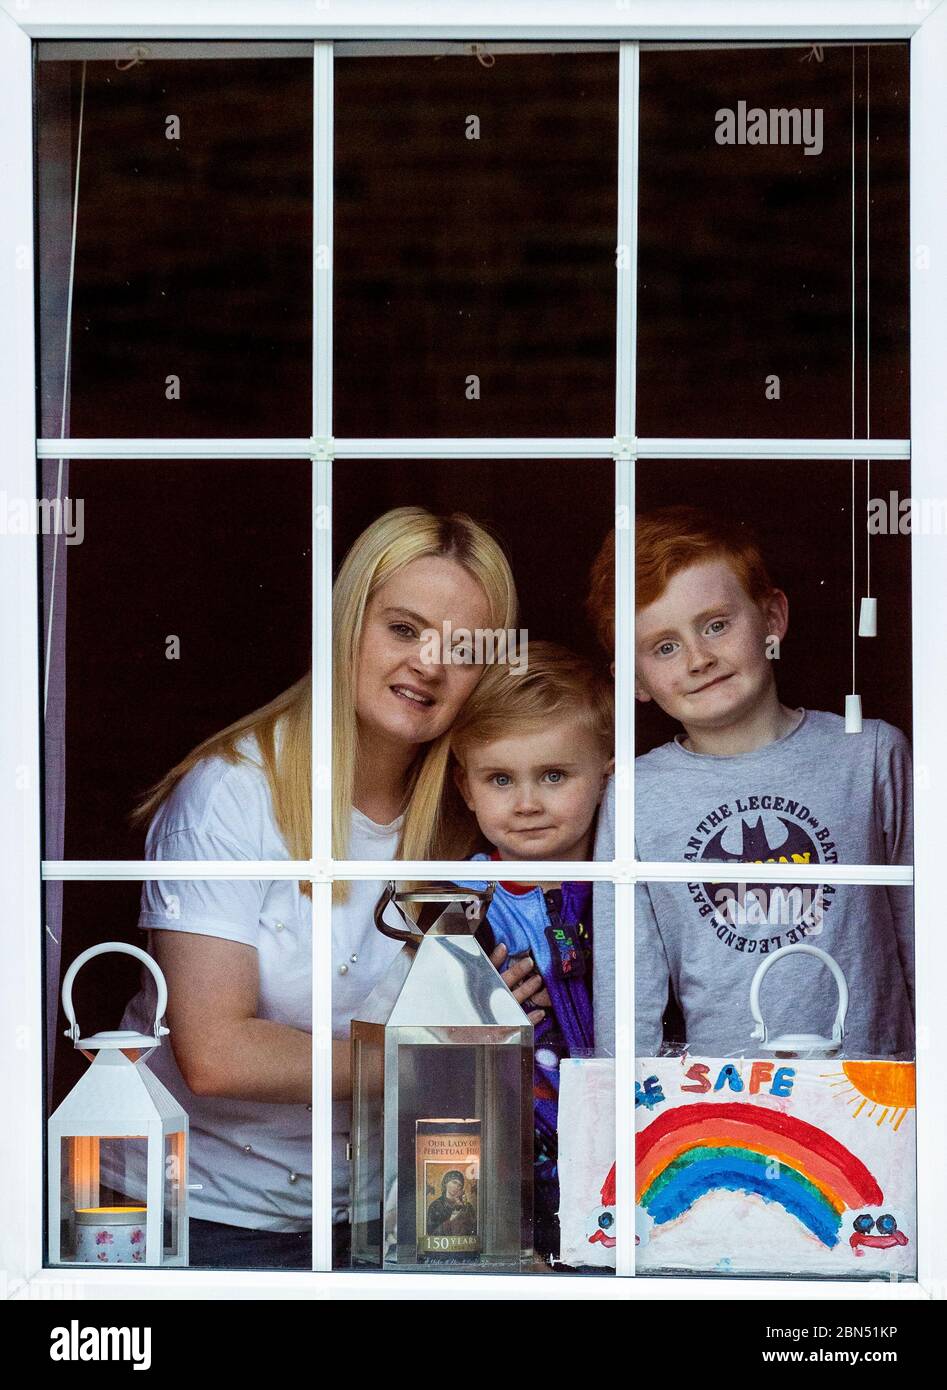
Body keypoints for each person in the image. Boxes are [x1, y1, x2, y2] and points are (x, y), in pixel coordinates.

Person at [110, 508, 549, 1269]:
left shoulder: (473, 815)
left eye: (462, 647)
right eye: (404, 629)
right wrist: (442, 1055)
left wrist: (500, 1006)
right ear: (348, 625)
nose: (428, 665)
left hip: (380, 1212)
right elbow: (215, 1053)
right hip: (198, 1212)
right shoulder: (235, 792)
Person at [589, 505, 914, 1060]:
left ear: (772, 618)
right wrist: (626, 1124)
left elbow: (923, 936)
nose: (698, 658)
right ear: (636, 680)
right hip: (725, 1110)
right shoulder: (636, 794)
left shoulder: (869, 753)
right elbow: (629, 985)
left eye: (716, 624)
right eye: (664, 647)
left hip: (879, 1097)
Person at [449, 642, 614, 1257]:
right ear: (465, 787)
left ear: (608, 765)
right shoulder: (461, 897)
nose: (526, 803)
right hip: (502, 1144)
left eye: (553, 775)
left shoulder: (627, 880)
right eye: (500, 779)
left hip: (621, 1126)